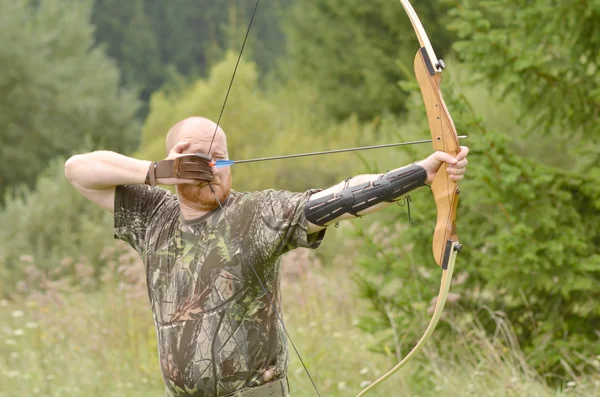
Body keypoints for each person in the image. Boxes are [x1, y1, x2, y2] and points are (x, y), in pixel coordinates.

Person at [65, 116, 469, 397]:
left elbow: (337, 198)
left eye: (219, 158)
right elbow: (77, 170)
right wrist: (155, 171)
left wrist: (420, 172)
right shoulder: (154, 215)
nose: (213, 168)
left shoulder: (255, 214)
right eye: (201, 160)